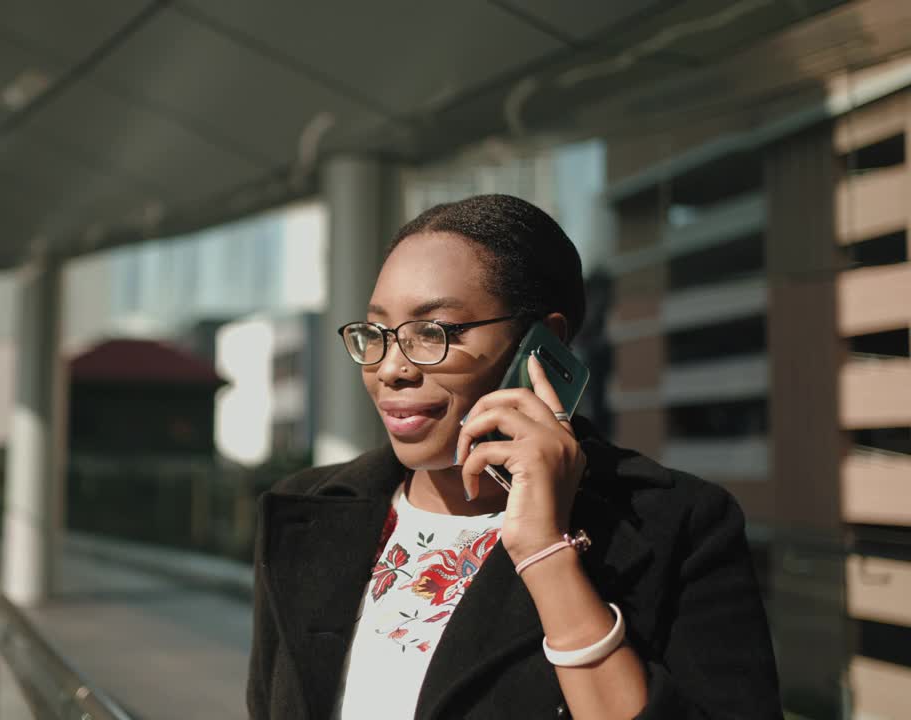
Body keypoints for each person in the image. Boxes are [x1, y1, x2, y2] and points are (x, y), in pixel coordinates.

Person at [246, 194, 782, 719]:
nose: (391, 367)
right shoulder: (305, 510)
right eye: (378, 332)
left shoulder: (678, 526)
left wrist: (546, 552)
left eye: (431, 332)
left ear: (542, 344)